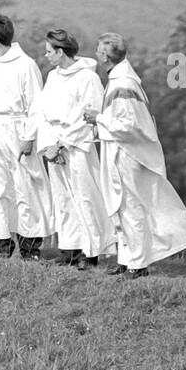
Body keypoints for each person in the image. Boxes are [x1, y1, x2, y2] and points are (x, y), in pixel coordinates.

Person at [83, 33, 186, 278]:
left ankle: (138, 265)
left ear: (105, 56)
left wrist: (97, 118)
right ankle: (126, 259)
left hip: (127, 152)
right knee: (121, 207)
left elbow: (128, 126)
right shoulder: (121, 78)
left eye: (98, 50)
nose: (96, 53)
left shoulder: (123, 84)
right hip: (120, 149)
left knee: (130, 206)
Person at [0, 13, 53, 260]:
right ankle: (3, 242)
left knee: (24, 186)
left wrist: (29, 136)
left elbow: (36, 104)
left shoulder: (25, 65)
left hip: (17, 127)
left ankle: (29, 245)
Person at [35, 28, 111, 269]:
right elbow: (43, 113)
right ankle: (69, 249)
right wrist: (49, 145)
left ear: (61, 52)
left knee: (85, 197)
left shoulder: (88, 78)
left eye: (49, 51)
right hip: (54, 145)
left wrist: (62, 144)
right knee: (63, 198)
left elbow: (89, 116)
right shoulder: (52, 77)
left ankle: (90, 252)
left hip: (77, 146)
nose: (46, 55)